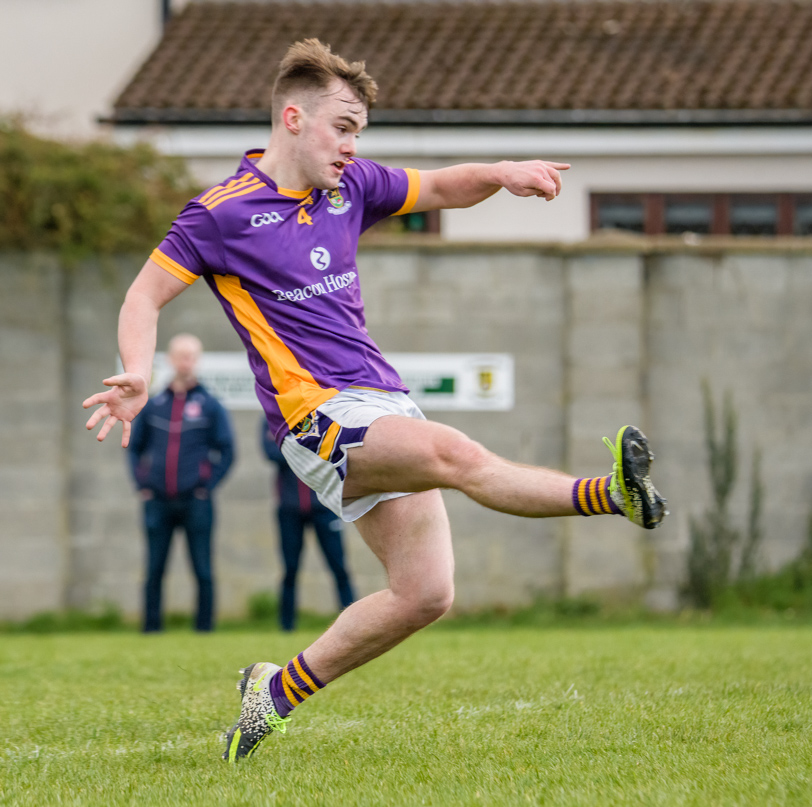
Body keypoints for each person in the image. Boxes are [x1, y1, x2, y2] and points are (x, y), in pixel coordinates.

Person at [82, 38, 667, 760]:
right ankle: (611, 492)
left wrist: (504, 173)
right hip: (315, 417)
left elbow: (442, 187)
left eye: (360, 132)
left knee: (426, 592)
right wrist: (137, 369)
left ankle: (275, 691)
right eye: (343, 128)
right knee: (454, 453)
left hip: (381, 403)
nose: (353, 146)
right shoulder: (220, 214)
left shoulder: (349, 187)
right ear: (292, 118)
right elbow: (145, 292)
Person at [127, 333, 235, 632]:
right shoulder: (153, 404)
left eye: (191, 356)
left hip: (196, 500)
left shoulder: (210, 405)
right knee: (154, 569)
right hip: (157, 501)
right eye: (180, 356)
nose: (185, 362)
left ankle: (204, 629)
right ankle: (150, 628)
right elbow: (135, 448)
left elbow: (226, 451)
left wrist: (206, 486)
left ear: (197, 361)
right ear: (170, 359)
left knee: (202, 568)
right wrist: (143, 485)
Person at [261, 417, 356, 631]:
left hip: (325, 504)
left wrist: (293, 446)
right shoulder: (272, 415)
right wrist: (308, 448)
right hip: (289, 508)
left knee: (339, 567)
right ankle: (286, 626)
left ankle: (352, 625)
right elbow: (271, 452)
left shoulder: (323, 412)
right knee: (290, 569)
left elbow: (333, 450)